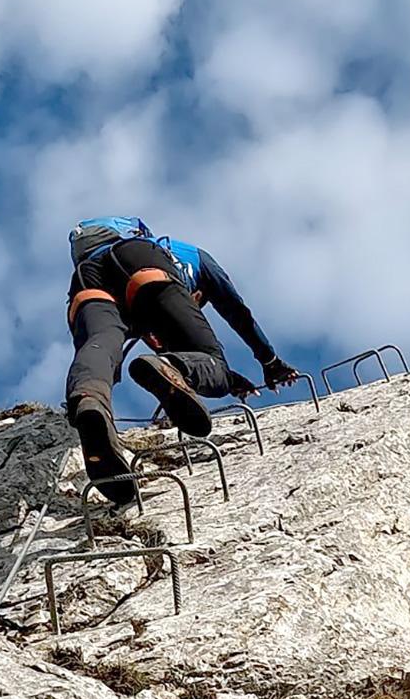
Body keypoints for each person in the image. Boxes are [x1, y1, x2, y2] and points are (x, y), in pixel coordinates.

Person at [64, 216, 298, 503]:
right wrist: (268, 360)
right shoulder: (188, 254)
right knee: (213, 362)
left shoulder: (94, 260)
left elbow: (113, 345)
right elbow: (237, 311)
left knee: (99, 344)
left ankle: (90, 400)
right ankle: (177, 371)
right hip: (142, 262)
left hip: (86, 278)